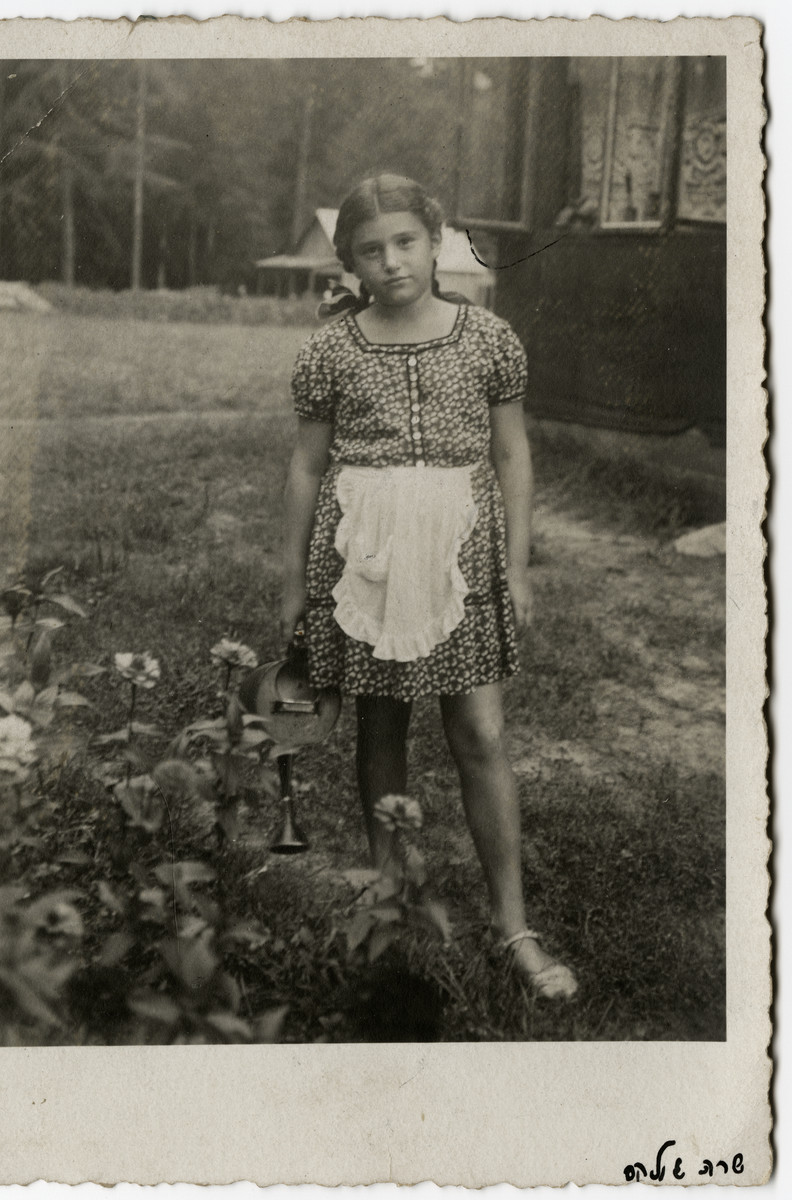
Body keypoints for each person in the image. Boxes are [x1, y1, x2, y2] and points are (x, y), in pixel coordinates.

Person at [280, 174, 577, 1001]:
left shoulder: (487, 338)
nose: (392, 262)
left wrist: (516, 566)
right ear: (350, 262)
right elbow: (307, 463)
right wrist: (293, 580)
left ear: (435, 241)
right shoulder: (332, 349)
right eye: (371, 250)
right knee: (381, 724)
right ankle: (389, 899)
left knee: (480, 731)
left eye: (406, 242)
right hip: (366, 551)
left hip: (460, 549)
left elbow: (513, 454)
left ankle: (513, 924)